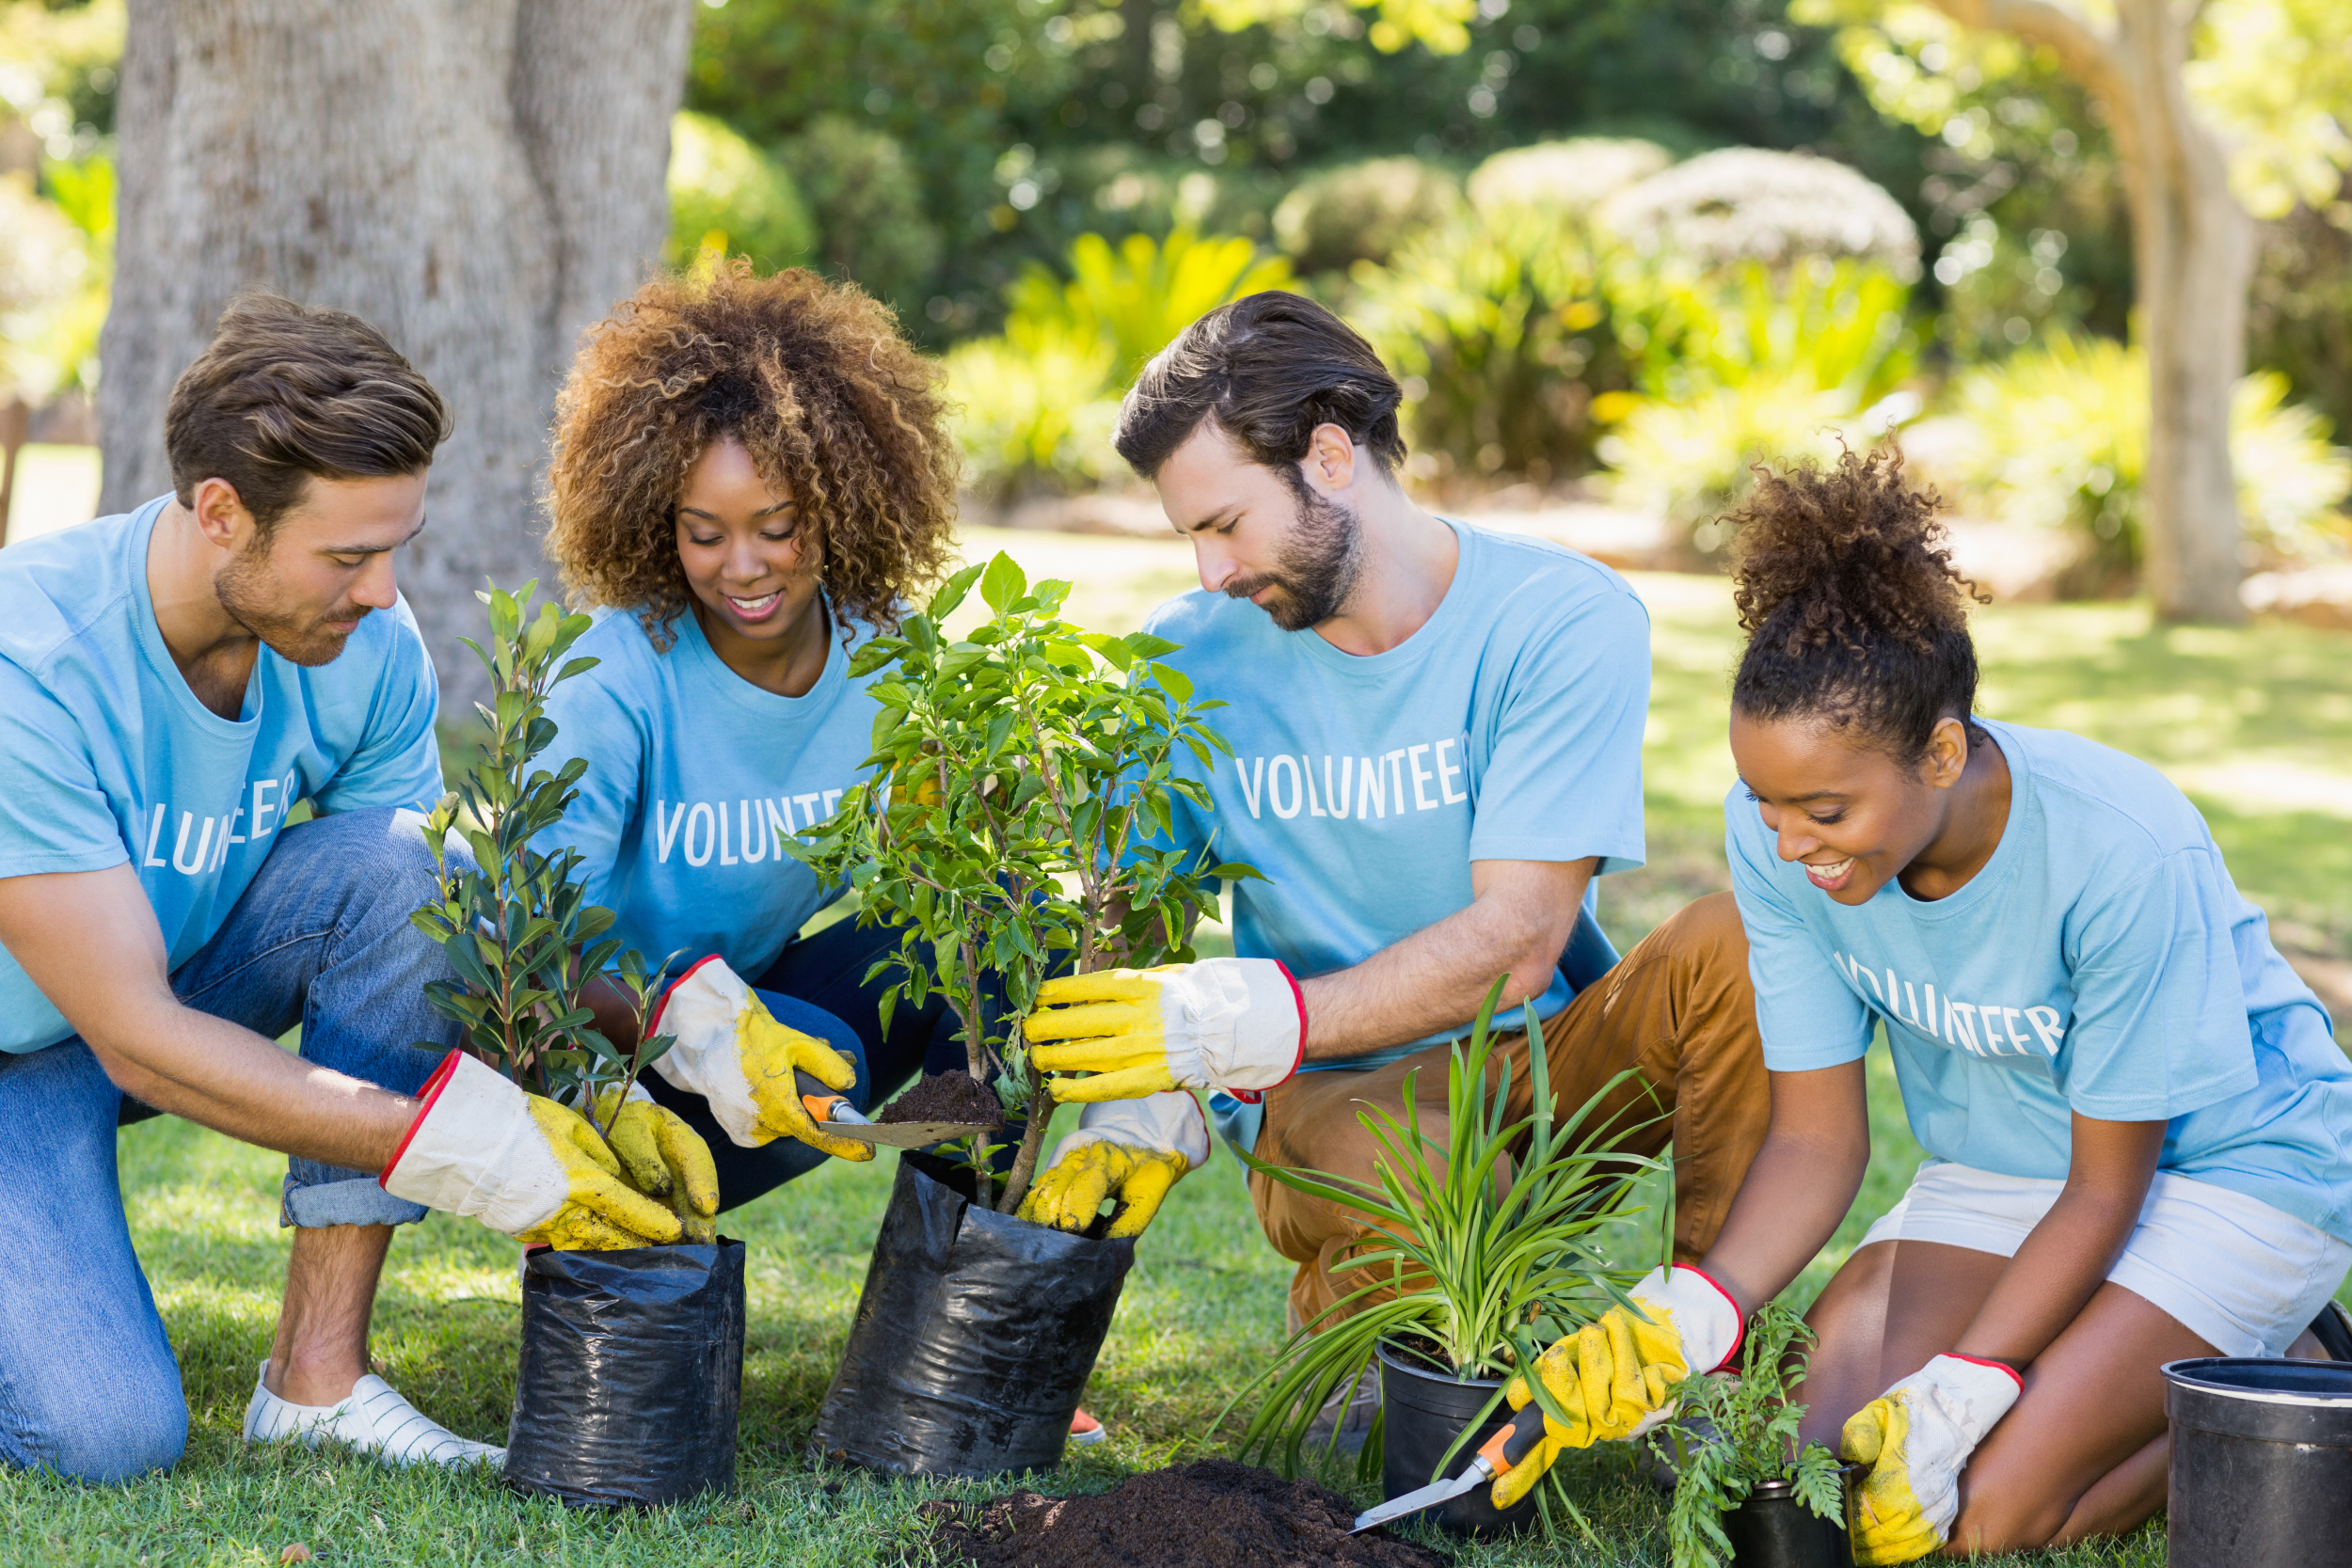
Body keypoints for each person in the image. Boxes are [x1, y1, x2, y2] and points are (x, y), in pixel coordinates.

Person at [1486, 449, 2352, 1560]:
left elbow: (2105, 1188)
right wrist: (1688, 1311)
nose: (1789, 841)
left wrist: (1966, 1384)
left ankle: (2283, 1381)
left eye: (1826, 810)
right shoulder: (1780, 844)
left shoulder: (2117, 849)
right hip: (2005, 1167)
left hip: (2230, 1171)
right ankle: (2141, 1356)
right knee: (1818, 1466)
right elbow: (1813, 1136)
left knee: (1973, 1507)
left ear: (1940, 751)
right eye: (1764, 802)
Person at [1014, 294, 1772, 1442]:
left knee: (1736, 945)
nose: (1214, 570)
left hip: (1543, 1075)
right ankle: (1367, 1327)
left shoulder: (1558, 618)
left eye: (1226, 522)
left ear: (1329, 456)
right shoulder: (1185, 657)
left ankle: (1694, 1359)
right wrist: (1135, 1104)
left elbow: (1520, 940)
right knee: (1390, 1318)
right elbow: (1134, 922)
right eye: (1191, 539)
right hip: (1333, 1094)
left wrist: (1254, 1016)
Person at [0, 295, 718, 1484]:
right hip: (59, 1037)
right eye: (347, 555)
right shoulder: (31, 663)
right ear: (220, 512)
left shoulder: (361, 650)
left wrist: (617, 1056)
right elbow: (140, 1043)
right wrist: (467, 1144)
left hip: (124, 999)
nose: (384, 592)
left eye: (395, 548)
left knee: (405, 864)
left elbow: (420, 926)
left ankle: (316, 1381)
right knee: (105, 1438)